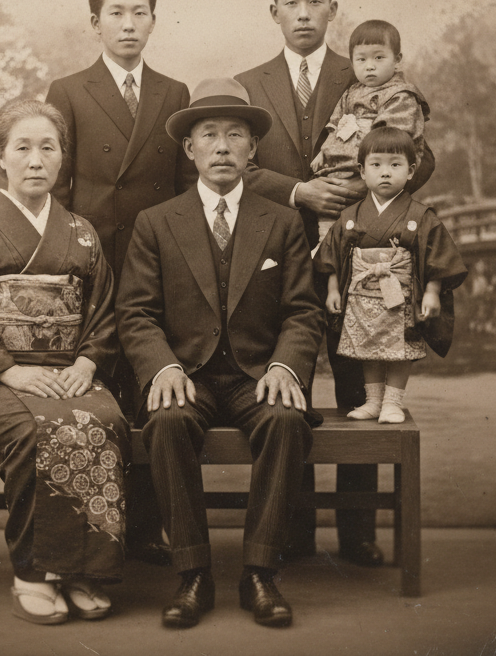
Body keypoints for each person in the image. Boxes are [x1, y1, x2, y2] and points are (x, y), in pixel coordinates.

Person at [116, 78, 324, 629]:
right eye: (209, 134)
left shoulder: (280, 221)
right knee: (166, 420)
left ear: (254, 149)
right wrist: (161, 367)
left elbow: (304, 311)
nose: (223, 146)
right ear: (190, 148)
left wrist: (285, 365)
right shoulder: (157, 222)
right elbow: (135, 313)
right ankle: (192, 574)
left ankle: (260, 572)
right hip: (188, 373)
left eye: (236, 134)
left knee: (286, 419)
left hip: (258, 373)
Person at [0, 99, 127, 625]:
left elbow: (103, 312)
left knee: (105, 421)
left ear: (62, 159)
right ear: (0, 157)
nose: (36, 160)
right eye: (23, 148)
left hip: (68, 371)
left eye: (48, 148)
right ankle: (33, 573)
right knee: (38, 430)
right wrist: (10, 370)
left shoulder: (81, 233)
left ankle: (83, 570)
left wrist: (86, 364)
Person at [234, 0, 381, 567]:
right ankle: (291, 532)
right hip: (273, 257)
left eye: (315, 0)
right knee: (287, 385)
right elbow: (234, 164)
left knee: (357, 388)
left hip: (355, 252)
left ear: (333, 9)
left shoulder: (370, 75)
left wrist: (368, 182)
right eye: (291, 1)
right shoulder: (248, 83)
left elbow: (415, 155)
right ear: (274, 11)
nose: (303, 12)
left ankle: (358, 534)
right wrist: (298, 192)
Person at [46, 0, 196, 566]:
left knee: (153, 385)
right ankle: (99, 527)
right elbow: (56, 187)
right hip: (94, 262)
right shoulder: (68, 90)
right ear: (95, 22)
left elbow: (186, 189)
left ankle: (153, 524)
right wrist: (68, 257)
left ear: (154, 21)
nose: (128, 24)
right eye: (116, 13)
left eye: (139, 13)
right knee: (98, 384)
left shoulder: (174, 93)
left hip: (157, 261)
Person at [315, 125, 467, 422]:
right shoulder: (349, 217)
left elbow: (436, 256)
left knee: (400, 347)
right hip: (363, 296)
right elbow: (331, 255)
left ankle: (393, 403)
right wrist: (333, 289)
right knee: (368, 348)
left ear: (410, 172)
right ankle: (373, 401)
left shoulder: (420, 216)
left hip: (402, 296)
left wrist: (433, 292)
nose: (385, 172)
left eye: (395, 165)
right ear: (362, 171)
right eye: (376, 165)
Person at [310, 19, 435, 240]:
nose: (370, 65)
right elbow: (336, 123)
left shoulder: (400, 95)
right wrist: (324, 152)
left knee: (371, 230)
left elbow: (391, 138)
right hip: (340, 166)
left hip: (377, 170)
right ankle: (327, 248)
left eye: (379, 57)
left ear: (397, 61)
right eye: (361, 59)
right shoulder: (351, 92)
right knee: (329, 224)